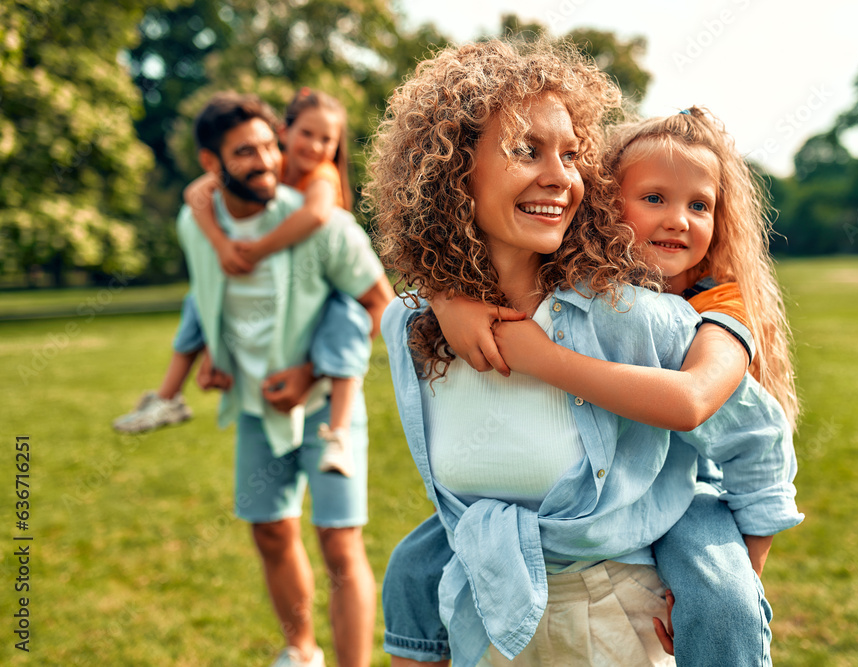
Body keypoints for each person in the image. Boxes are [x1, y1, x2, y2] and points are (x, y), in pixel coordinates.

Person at [368, 39, 802, 667]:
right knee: (412, 561)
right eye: (527, 150)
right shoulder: (412, 323)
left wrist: (736, 583)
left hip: (615, 625)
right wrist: (442, 294)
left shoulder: (642, 316)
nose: (559, 175)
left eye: (572, 155)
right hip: (487, 622)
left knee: (721, 588)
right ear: (449, 170)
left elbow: (749, 435)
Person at [179, 91, 393, 667]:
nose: (268, 160)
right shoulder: (195, 221)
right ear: (211, 163)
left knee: (339, 540)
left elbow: (382, 305)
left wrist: (311, 373)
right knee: (270, 531)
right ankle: (301, 652)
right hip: (254, 407)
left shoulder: (325, 225)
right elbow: (207, 291)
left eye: (270, 146)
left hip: (326, 407)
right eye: (245, 151)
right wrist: (213, 351)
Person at [114, 89, 366, 476]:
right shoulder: (268, 169)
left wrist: (257, 250)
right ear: (286, 132)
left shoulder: (320, 178)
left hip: (321, 309)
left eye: (327, 140)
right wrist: (220, 247)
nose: (315, 147)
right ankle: (168, 395)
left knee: (343, 317)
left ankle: (338, 432)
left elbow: (316, 216)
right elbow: (196, 192)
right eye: (306, 135)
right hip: (258, 383)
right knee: (200, 297)